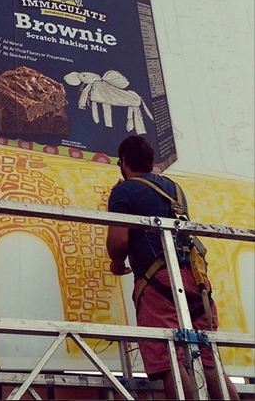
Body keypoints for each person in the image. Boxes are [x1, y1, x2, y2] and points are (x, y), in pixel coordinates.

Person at [106, 135, 239, 400]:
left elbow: (119, 242)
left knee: (170, 361)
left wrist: (117, 263)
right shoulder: (174, 188)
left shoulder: (124, 191)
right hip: (196, 279)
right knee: (208, 358)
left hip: (159, 281)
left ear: (124, 162)